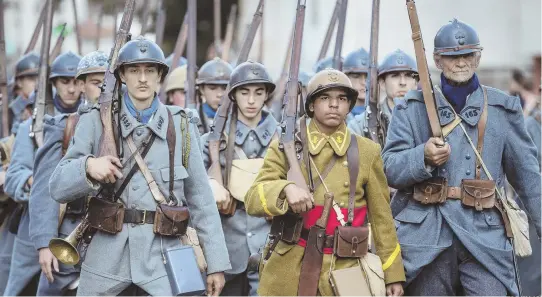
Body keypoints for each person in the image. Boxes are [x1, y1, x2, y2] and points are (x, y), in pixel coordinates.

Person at [48, 37, 230, 296]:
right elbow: (57, 187)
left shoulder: (180, 125)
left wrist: (215, 265)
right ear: (122, 75)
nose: (142, 79)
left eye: (150, 71)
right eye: (134, 70)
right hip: (105, 262)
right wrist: (88, 166)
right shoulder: (95, 121)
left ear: (160, 76)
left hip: (163, 261)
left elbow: (201, 199)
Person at [382, 19, 541, 296]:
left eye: (467, 55)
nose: (461, 62)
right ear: (437, 59)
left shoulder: (503, 109)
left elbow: (528, 178)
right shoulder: (411, 108)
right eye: (452, 56)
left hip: (485, 235)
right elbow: (390, 168)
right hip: (426, 238)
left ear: (478, 58)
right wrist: (424, 157)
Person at [244, 68, 405, 296]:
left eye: (341, 98)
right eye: (324, 98)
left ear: (349, 105)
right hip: (292, 263)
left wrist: (392, 275)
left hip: (347, 266)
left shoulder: (367, 152)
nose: (334, 105)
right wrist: (285, 189)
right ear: (311, 105)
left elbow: (382, 220)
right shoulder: (286, 146)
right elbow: (253, 198)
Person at [27, 50, 108, 296]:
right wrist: (44, 244)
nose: (104, 90)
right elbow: (43, 191)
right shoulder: (65, 127)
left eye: (109, 83)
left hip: (111, 237)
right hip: (71, 232)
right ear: (82, 85)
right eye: (96, 83)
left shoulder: (126, 128)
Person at [3, 50, 82, 296]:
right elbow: (15, 174)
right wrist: (38, 183)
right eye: (64, 82)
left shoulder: (93, 122)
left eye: (76, 82)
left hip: (78, 224)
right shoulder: (32, 127)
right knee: (21, 289)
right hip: (35, 222)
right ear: (53, 84)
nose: (71, 89)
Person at [200, 61, 278, 296]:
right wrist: (211, 185)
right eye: (244, 92)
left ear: (267, 95)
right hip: (226, 252)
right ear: (233, 96)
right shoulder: (211, 141)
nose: (251, 100)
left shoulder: (284, 139)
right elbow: (193, 190)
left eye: (258, 92)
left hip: (271, 248)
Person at [348, 49, 418, 138]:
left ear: (416, 83)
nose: (402, 82)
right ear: (382, 83)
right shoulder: (359, 125)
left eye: (408, 76)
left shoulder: (428, 118)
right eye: (395, 76)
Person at [195, 57, 233, 134]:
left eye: (225, 88)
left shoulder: (239, 118)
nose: (219, 94)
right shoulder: (192, 119)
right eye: (212, 88)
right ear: (202, 89)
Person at [9, 52, 40, 134]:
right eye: (32, 79)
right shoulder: (9, 112)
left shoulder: (52, 104)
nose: (37, 83)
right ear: (19, 82)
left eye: (40, 78)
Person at [343, 47, 369, 125]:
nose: (363, 82)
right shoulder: (336, 112)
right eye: (356, 76)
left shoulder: (383, 115)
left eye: (368, 77)